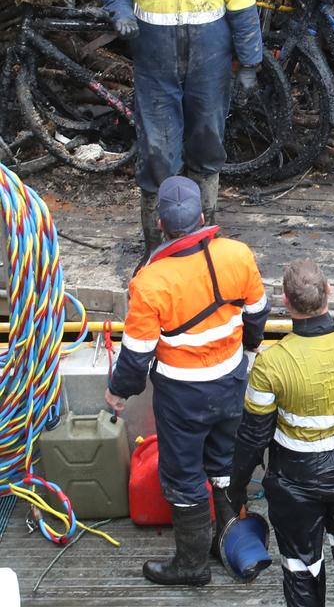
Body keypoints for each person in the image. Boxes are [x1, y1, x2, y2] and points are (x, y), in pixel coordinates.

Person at [104, 174, 269, 586]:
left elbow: (137, 353)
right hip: (231, 381)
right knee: (226, 463)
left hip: (182, 396)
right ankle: (227, 538)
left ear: (161, 224)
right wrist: (247, 351)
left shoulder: (150, 282)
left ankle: (192, 567)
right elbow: (258, 312)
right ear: (201, 215)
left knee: (182, 476)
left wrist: (119, 391)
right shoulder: (238, 254)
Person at [97, 0, 263, 255]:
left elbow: (242, 2)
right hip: (156, 63)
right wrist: (121, 11)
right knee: (158, 156)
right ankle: (156, 250)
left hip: (210, 60)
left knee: (207, 147)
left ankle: (204, 244)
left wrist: (250, 62)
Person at [229, 260, 334, 607]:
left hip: (295, 483)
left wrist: (238, 485)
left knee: (302, 566)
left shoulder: (271, 364)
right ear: (329, 291)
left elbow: (252, 437)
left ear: (287, 304)